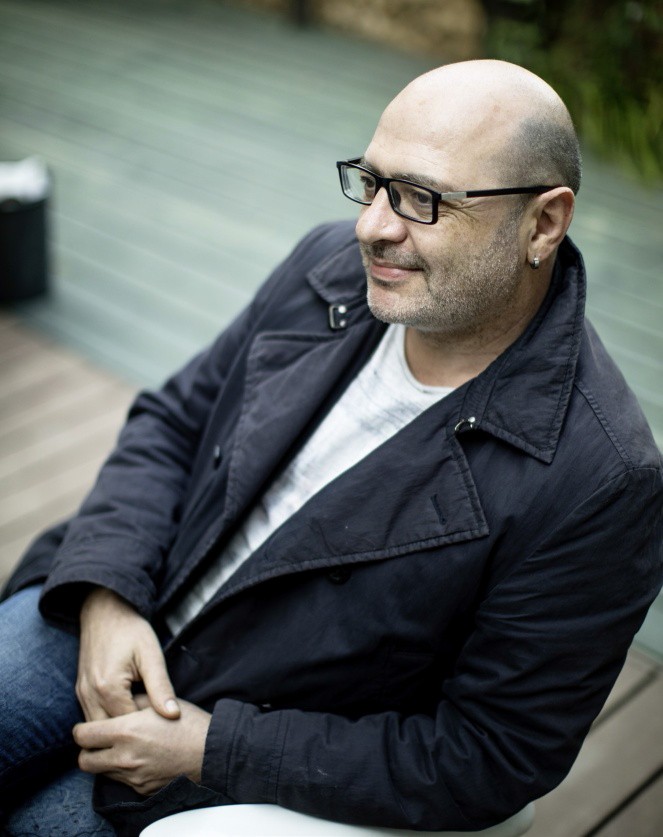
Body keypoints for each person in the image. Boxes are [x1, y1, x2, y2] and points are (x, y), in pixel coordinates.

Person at [1, 59, 661, 836]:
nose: (371, 227)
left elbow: (489, 753)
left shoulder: (600, 478)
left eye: (421, 198)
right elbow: (173, 422)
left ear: (542, 223)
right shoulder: (327, 265)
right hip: (129, 595)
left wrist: (215, 748)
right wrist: (108, 594)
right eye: (371, 182)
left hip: (264, 731)